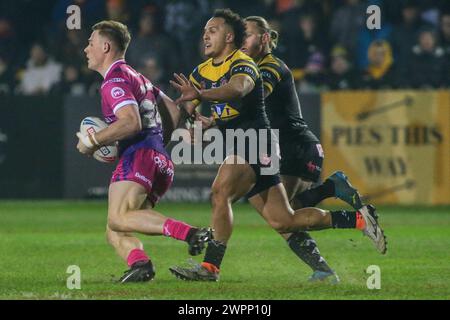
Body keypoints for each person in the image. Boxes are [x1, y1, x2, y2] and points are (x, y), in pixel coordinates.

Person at [168, 9, 387, 282]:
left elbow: (240, 88)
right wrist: (193, 123)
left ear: (230, 36)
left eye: (212, 30)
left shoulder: (246, 64)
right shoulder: (201, 70)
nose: (205, 35)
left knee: (220, 191)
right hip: (258, 143)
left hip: (267, 142)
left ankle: (210, 268)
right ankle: (355, 221)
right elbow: (188, 105)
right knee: (283, 219)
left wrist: (202, 98)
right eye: (204, 32)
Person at [76, 20, 211, 283]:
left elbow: (130, 122)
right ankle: (141, 266)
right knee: (116, 228)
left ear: (105, 46)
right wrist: (157, 147)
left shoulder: (113, 79)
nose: (85, 49)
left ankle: (190, 233)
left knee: (119, 218)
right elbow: (173, 112)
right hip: (157, 158)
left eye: (90, 43)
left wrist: (92, 141)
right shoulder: (138, 77)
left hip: (139, 156)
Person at [241, 15, 366, 282]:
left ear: (264, 38)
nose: (243, 41)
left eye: (248, 35)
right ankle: (331, 192)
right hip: (283, 147)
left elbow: (256, 94)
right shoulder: (248, 69)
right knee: (283, 211)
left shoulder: (269, 66)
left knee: (280, 217)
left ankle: (353, 219)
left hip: (295, 146)